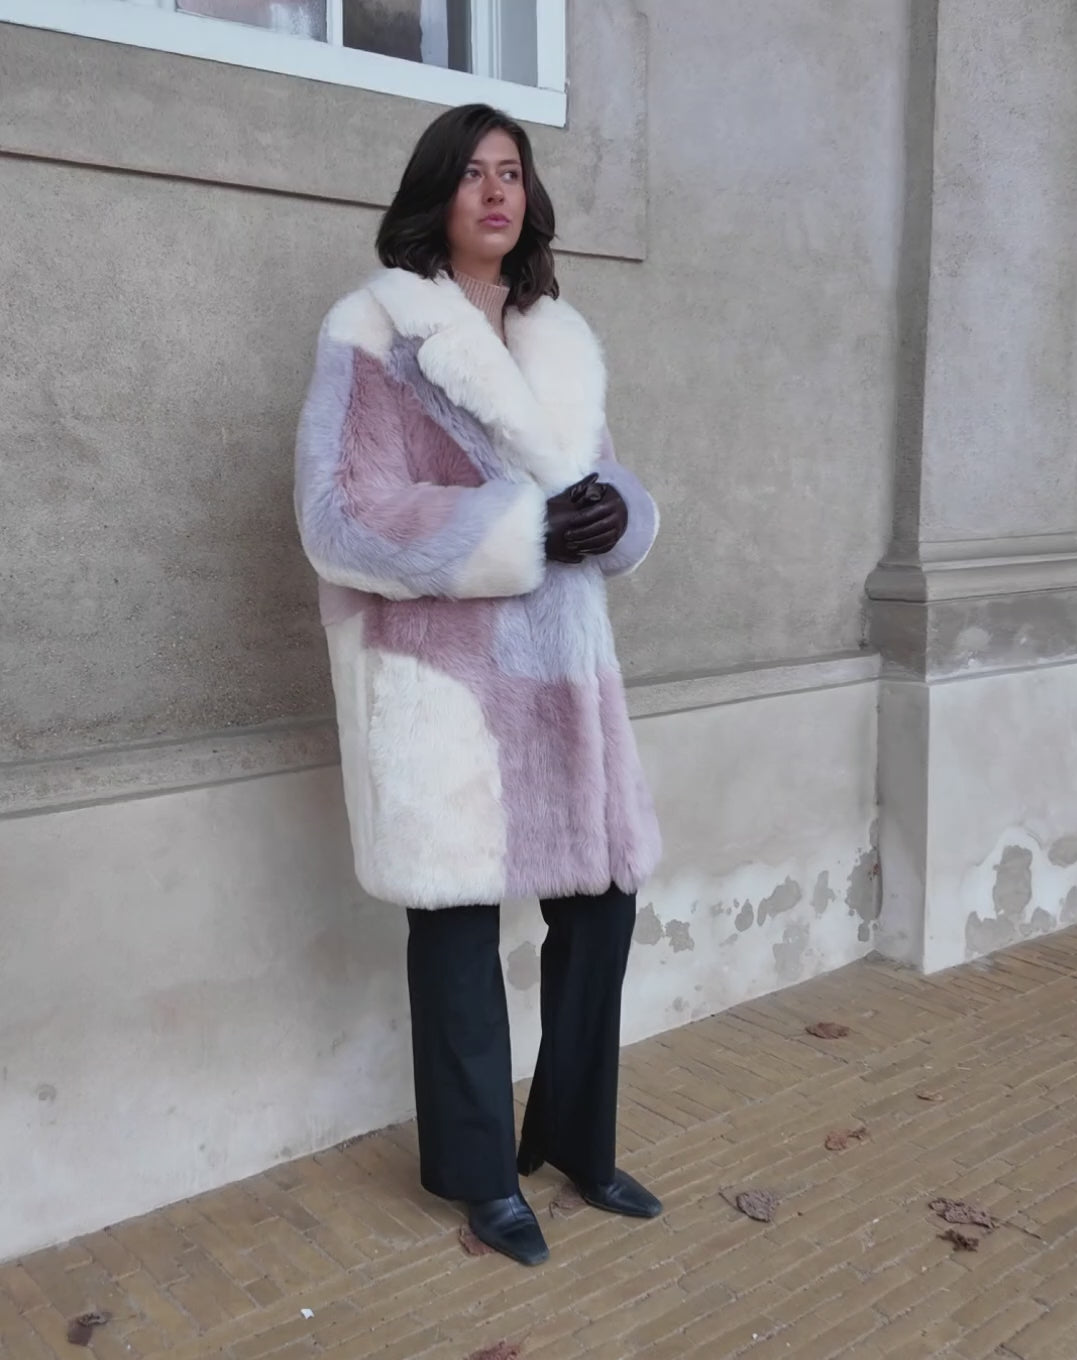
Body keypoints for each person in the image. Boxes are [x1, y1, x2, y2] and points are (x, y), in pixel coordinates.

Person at [294, 103, 663, 1267]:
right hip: (441, 681)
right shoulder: (373, 327)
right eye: (472, 173)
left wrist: (614, 516)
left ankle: (575, 1142)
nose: (497, 191)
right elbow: (338, 512)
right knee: (455, 930)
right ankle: (479, 1176)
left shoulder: (557, 333)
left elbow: (604, 482)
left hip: (560, 672)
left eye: (512, 171)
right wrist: (519, 529)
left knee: (601, 904)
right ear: (435, 193)